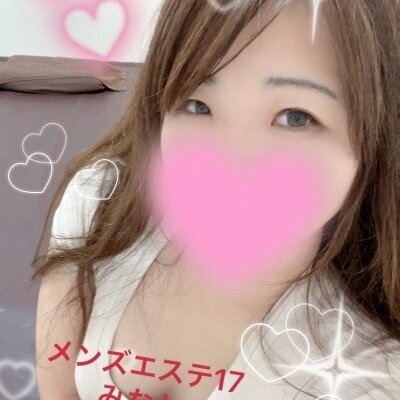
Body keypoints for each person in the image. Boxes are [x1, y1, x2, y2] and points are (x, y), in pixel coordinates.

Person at [34, 0, 400, 399]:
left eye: (296, 117)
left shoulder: (375, 372)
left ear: (375, 135)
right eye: (197, 106)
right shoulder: (101, 202)